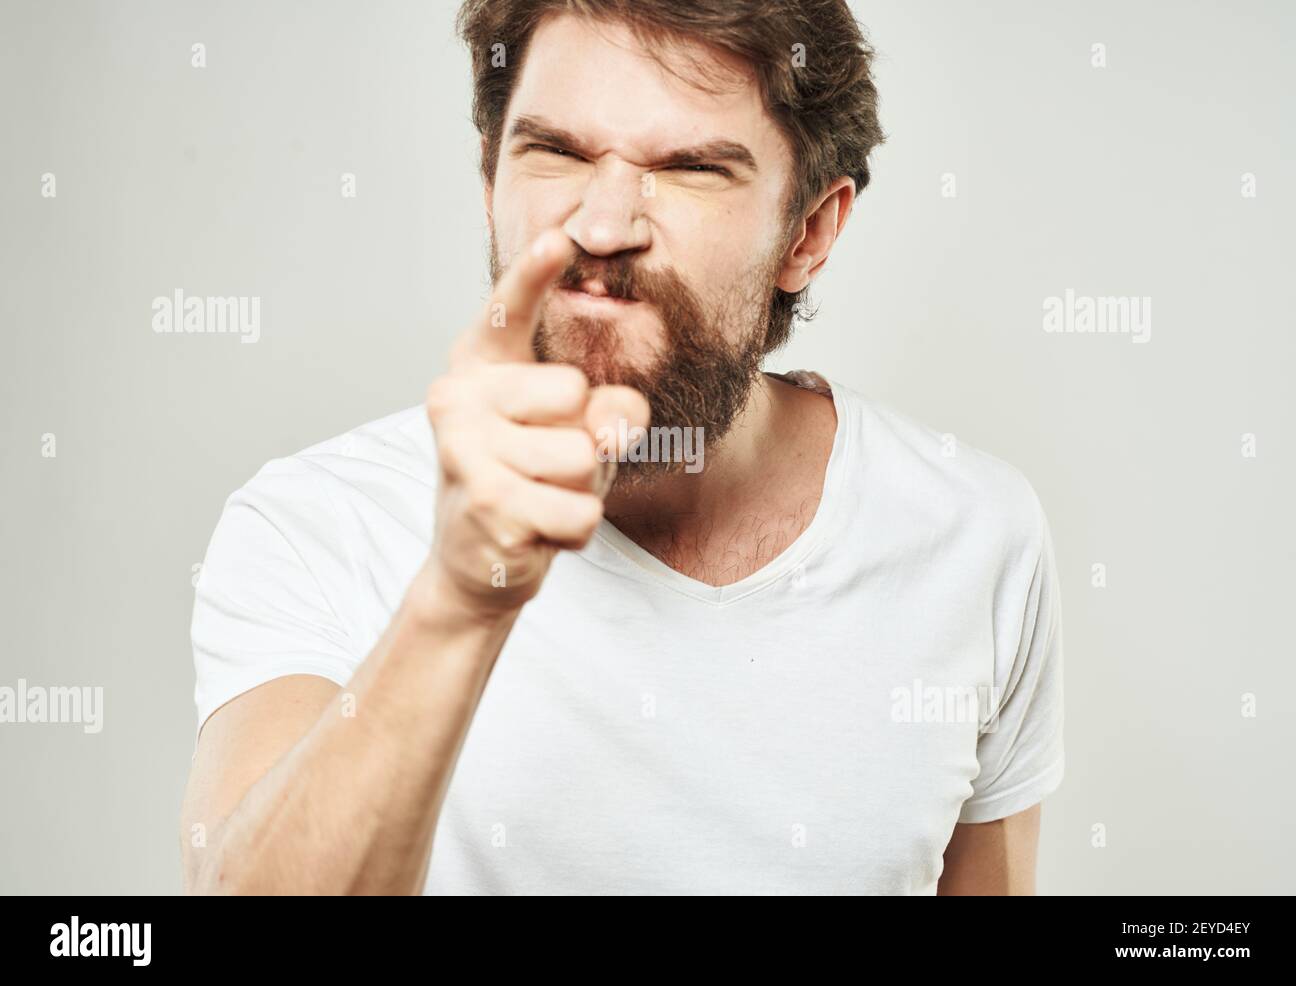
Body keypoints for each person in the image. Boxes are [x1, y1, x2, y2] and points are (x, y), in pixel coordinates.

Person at [181, 0, 1065, 895]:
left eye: (688, 170)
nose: (602, 227)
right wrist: (456, 600)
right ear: (490, 181)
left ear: (809, 232)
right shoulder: (317, 525)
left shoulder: (973, 534)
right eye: (556, 153)